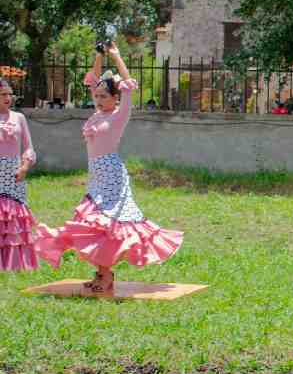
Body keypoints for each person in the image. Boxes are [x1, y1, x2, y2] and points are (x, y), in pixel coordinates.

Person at [35, 43, 183, 295]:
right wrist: (98, 55)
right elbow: (93, 79)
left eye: (105, 96)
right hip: (96, 176)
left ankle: (105, 275)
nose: (99, 98)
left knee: (107, 225)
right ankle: (103, 273)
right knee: (91, 225)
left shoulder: (118, 115)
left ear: (116, 98)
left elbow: (128, 84)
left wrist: (116, 55)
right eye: (98, 96)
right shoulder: (97, 114)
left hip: (112, 176)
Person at [0, 77, 38, 271]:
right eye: (3, 94)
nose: (8, 98)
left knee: (13, 218)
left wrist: (24, 166)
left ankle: (14, 262)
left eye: (9, 94)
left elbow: (29, 148)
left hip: (14, 174)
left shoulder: (19, 118)